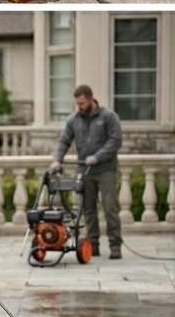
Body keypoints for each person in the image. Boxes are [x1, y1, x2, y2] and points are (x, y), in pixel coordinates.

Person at [50, 85, 123, 259]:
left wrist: (97, 157)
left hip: (106, 169)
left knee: (109, 207)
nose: (80, 107)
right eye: (77, 104)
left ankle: (115, 245)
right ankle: (93, 244)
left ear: (91, 99)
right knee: (88, 209)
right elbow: (64, 141)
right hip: (84, 170)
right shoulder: (73, 119)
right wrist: (56, 159)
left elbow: (115, 141)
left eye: (82, 103)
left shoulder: (108, 116)